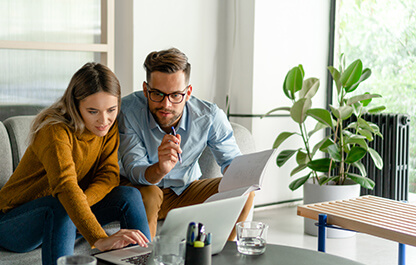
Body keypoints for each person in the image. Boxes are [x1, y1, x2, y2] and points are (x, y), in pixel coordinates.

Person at [0, 63, 151, 265]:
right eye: (93, 111)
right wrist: (100, 238)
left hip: (66, 212)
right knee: (62, 204)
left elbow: (108, 175)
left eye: (111, 110)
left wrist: (81, 206)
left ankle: (145, 261)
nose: (104, 120)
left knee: (128, 195)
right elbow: (66, 186)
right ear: (75, 105)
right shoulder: (54, 130)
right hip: (16, 223)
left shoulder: (107, 128)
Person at [118, 48, 255, 240]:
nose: (166, 105)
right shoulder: (128, 110)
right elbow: (134, 169)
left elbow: (232, 162)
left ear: (188, 92)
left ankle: (226, 255)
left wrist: (245, 174)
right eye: (157, 94)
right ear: (145, 89)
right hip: (141, 189)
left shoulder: (209, 116)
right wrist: (160, 168)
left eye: (175, 95)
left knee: (245, 193)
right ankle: (145, 259)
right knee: (150, 195)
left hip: (185, 190)